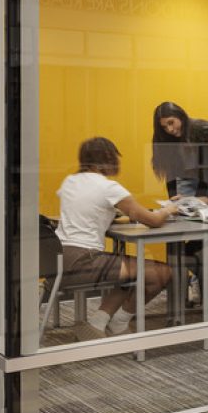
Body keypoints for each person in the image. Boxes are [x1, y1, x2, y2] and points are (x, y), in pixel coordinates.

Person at [55, 137, 179, 339]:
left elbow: (87, 209)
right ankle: (119, 322)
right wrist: (169, 209)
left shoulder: (70, 181)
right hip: (83, 260)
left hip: (59, 257)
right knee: (162, 273)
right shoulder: (108, 188)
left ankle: (99, 323)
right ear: (106, 158)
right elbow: (154, 221)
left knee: (129, 269)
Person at [150, 101, 208, 201]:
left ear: (180, 116)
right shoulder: (165, 137)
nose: (169, 129)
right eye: (164, 127)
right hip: (186, 183)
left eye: (171, 122)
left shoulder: (203, 129)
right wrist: (173, 198)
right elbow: (170, 173)